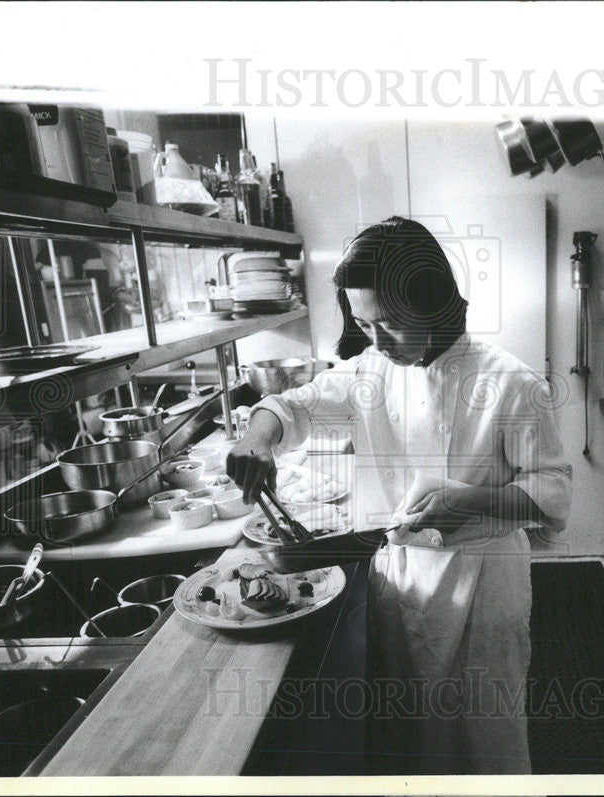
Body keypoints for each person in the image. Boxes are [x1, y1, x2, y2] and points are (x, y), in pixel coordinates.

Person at [227, 216, 572, 775]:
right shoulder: (374, 370)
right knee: (412, 731)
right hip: (398, 578)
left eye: (390, 323)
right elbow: (297, 406)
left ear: (434, 303)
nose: (376, 342)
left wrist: (474, 501)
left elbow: (552, 491)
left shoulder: (511, 381)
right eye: (365, 324)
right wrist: (257, 438)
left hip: (481, 586)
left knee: (485, 737)